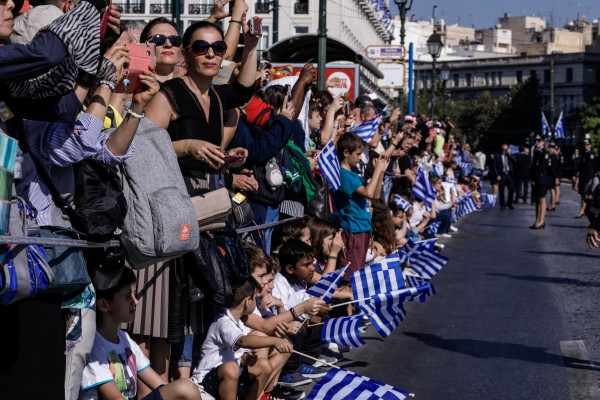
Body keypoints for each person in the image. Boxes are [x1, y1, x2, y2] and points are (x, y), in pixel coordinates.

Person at [80, 268, 201, 400]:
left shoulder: (124, 339)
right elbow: (115, 398)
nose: (135, 301)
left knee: (185, 388)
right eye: (128, 297)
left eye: (133, 294)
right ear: (103, 305)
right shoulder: (94, 345)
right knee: (185, 388)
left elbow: (161, 385)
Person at [191, 278, 294, 400]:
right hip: (208, 382)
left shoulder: (239, 321)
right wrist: (275, 341)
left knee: (264, 365)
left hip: (231, 374)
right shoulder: (223, 321)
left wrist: (244, 359)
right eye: (255, 298)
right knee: (231, 368)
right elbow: (242, 341)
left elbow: (229, 354)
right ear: (247, 301)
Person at [272, 239, 332, 386]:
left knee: (322, 317)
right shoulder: (280, 283)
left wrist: (316, 311)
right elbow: (281, 314)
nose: (312, 268)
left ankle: (305, 361)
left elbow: (304, 303)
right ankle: (287, 372)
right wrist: (304, 316)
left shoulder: (301, 280)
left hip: (297, 320)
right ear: (290, 268)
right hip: (280, 327)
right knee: (297, 328)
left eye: (312, 263)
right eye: (306, 265)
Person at [334, 131, 390, 281]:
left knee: (360, 272)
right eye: (358, 154)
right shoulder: (344, 175)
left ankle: (354, 304)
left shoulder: (354, 174)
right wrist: (376, 170)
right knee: (351, 276)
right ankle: (347, 303)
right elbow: (368, 193)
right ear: (346, 153)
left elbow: (376, 195)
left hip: (363, 229)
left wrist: (381, 173)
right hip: (353, 231)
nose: (360, 158)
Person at [530, 135, 550, 229]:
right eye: (536, 141)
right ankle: (537, 220)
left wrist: (533, 178)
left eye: (538, 141)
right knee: (537, 200)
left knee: (542, 200)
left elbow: (541, 168)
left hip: (541, 179)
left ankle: (541, 221)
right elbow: (533, 167)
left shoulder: (545, 153)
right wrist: (531, 178)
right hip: (536, 179)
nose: (536, 142)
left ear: (543, 142)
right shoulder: (537, 152)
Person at [576, 139, 596, 219]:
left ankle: (587, 211)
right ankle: (582, 210)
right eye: (585, 144)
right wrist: (578, 172)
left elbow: (588, 167)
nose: (585, 146)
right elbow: (580, 164)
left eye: (587, 144)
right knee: (582, 194)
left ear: (590, 145)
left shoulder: (591, 154)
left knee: (588, 194)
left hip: (588, 177)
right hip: (583, 176)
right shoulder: (584, 153)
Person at [494, 144, 515, 210]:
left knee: (511, 188)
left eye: (505, 150)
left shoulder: (509, 156)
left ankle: (509, 203)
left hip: (509, 175)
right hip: (502, 174)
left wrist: (510, 155)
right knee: (501, 190)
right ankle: (502, 205)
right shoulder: (497, 156)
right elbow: (494, 166)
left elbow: (515, 162)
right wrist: (497, 175)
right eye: (502, 149)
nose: (504, 151)